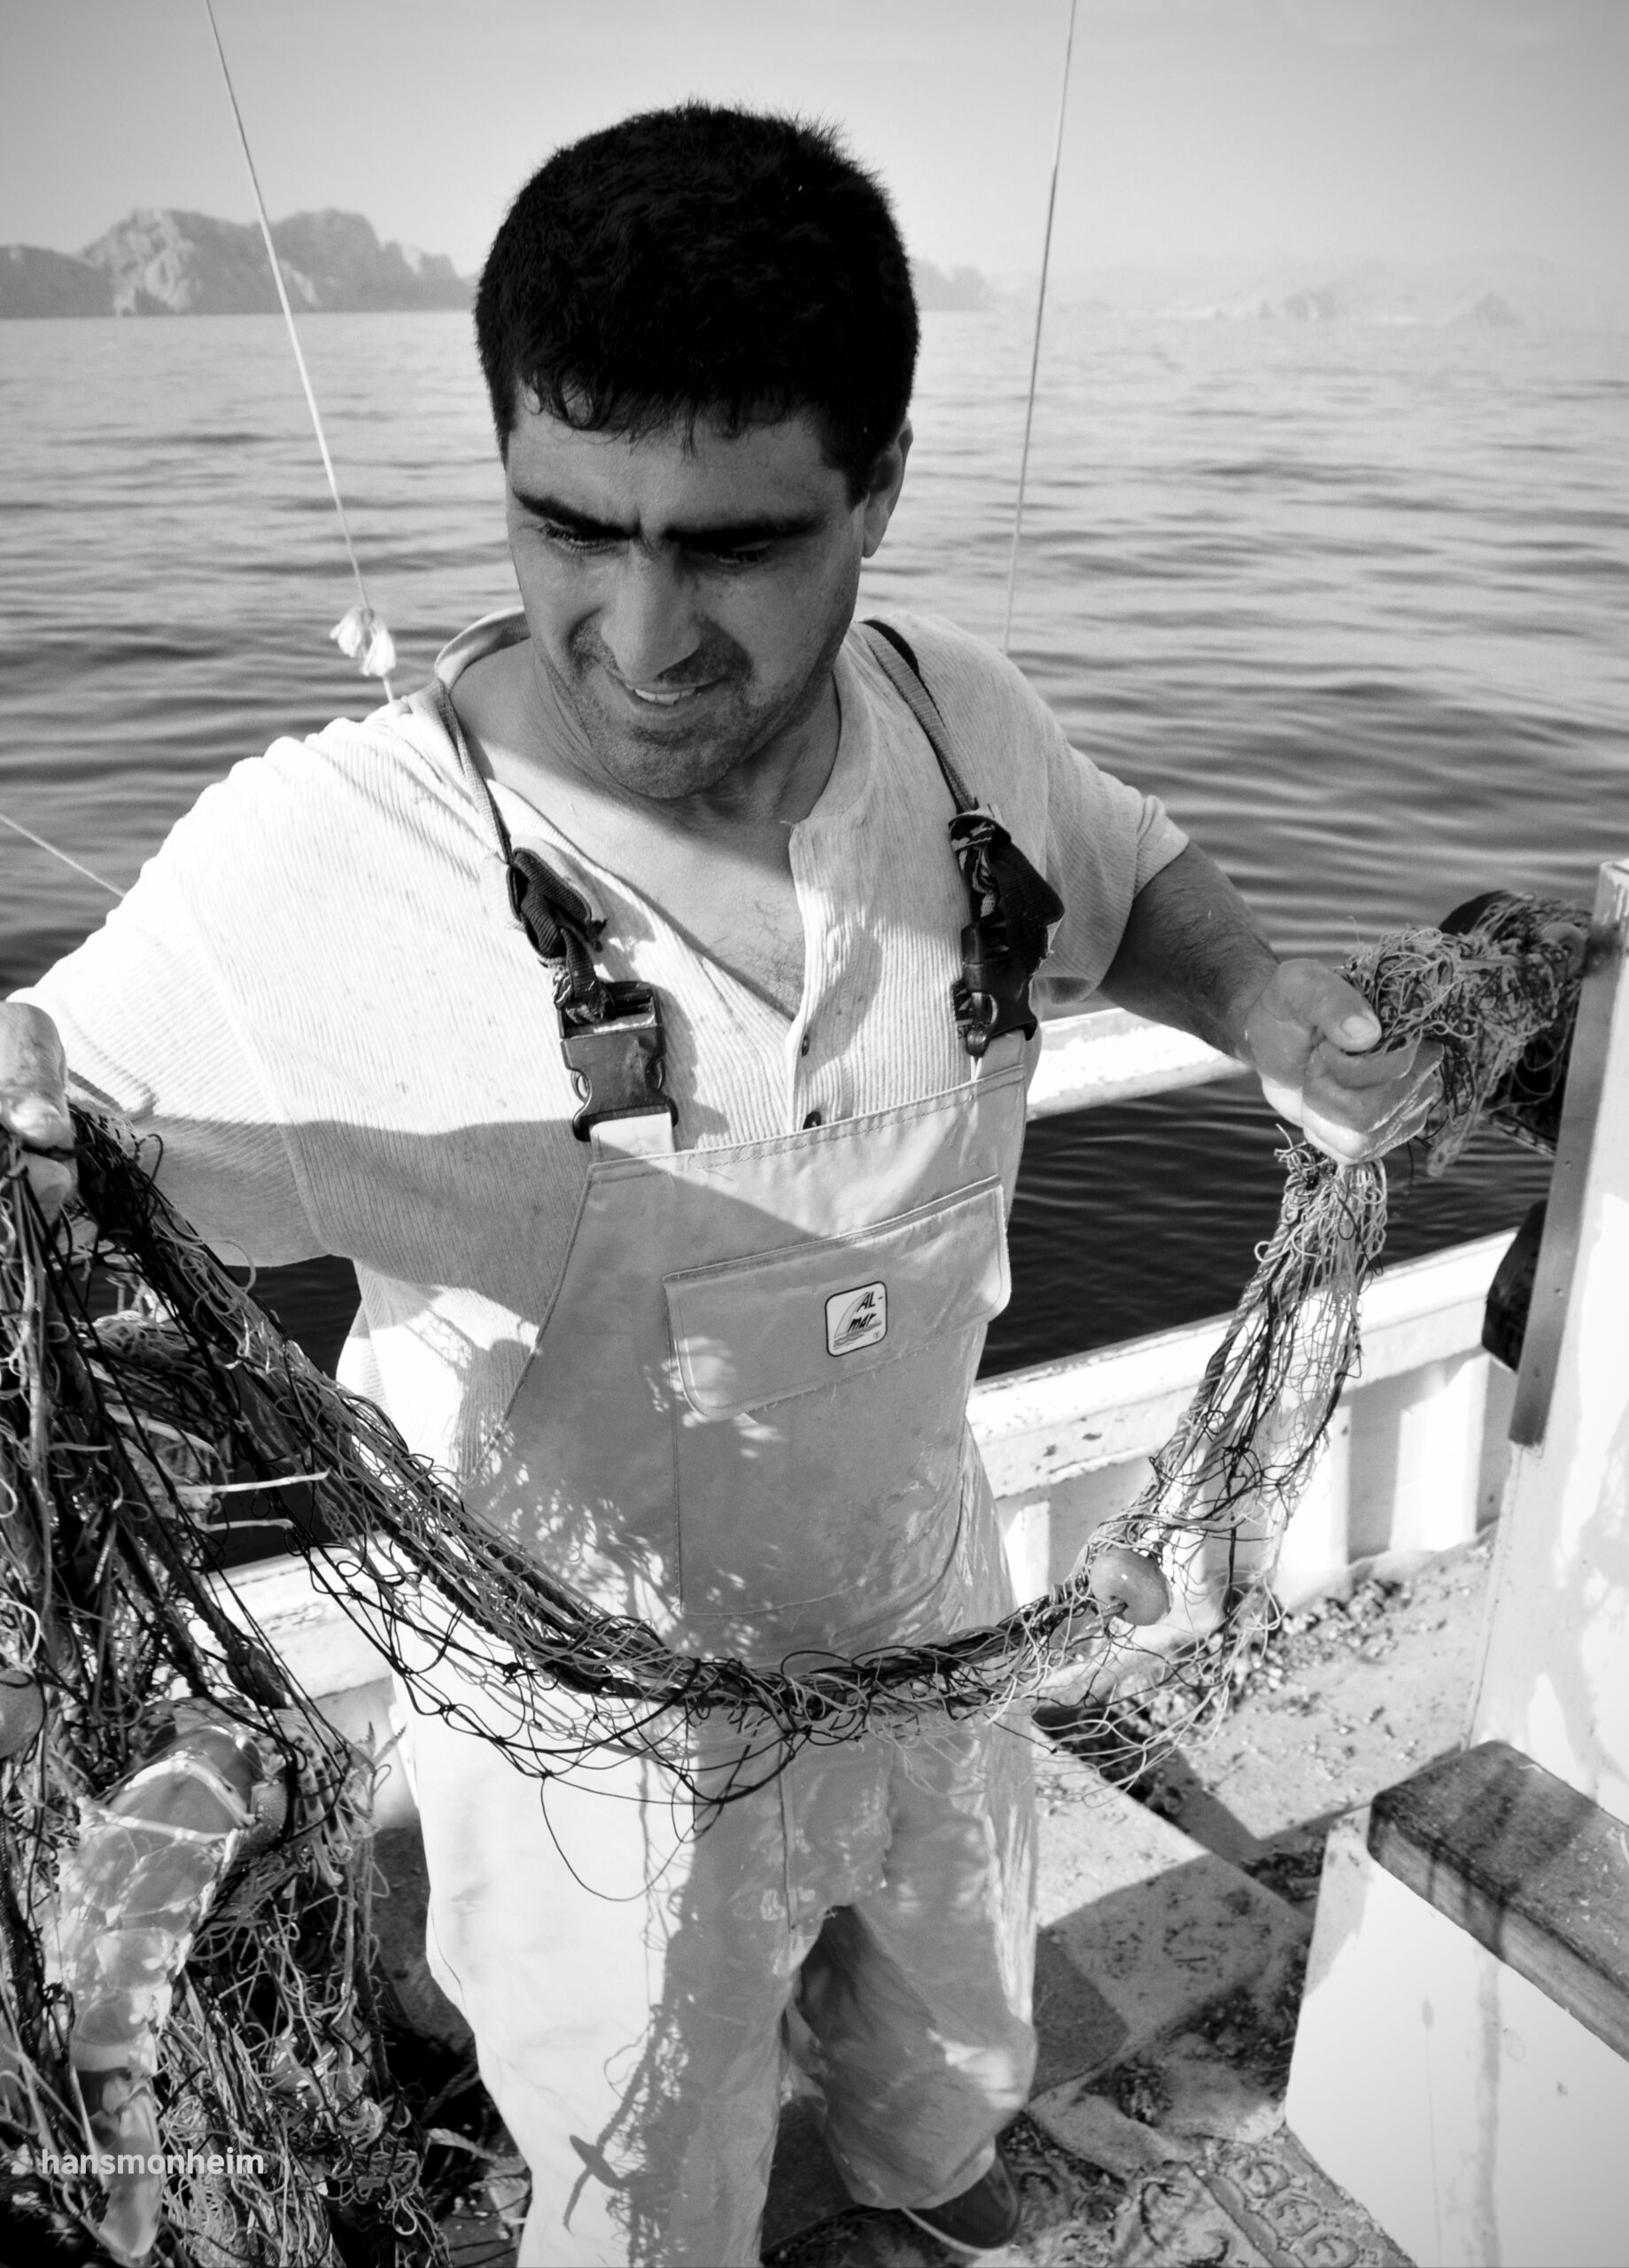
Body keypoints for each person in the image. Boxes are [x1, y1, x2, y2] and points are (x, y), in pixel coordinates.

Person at [0, 105, 1435, 2268]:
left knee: (948, 2045)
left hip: (925, 1597)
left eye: (733, 546)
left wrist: (1254, 997)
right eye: (565, 525)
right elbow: (59, 1093)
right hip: (594, 1741)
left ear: (879, 488)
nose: (640, 630)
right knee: (639, 2173)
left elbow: (1129, 871)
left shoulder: (958, 725)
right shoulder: (320, 857)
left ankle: (916, 2191)